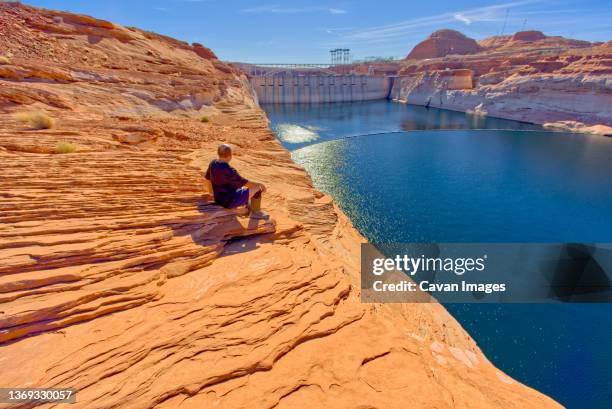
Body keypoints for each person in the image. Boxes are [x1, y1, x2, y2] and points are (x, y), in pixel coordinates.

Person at [205, 144, 269, 219]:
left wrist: (210, 192)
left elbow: (207, 178)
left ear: (218, 153)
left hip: (218, 199)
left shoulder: (213, 163)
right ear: (230, 156)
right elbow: (247, 183)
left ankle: (248, 205)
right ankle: (255, 213)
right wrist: (260, 185)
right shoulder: (229, 171)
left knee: (241, 189)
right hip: (229, 201)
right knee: (257, 188)